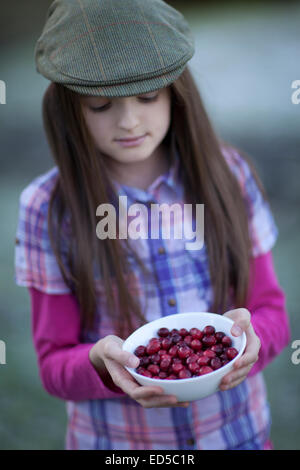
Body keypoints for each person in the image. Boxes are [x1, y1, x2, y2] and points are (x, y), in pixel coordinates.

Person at [14, 0, 290, 450]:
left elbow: (272, 312)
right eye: (99, 105)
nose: (128, 121)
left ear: (177, 93)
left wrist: (254, 340)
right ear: (68, 107)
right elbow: (52, 366)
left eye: (148, 97)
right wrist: (101, 365)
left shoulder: (230, 176)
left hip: (239, 436)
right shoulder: (46, 208)